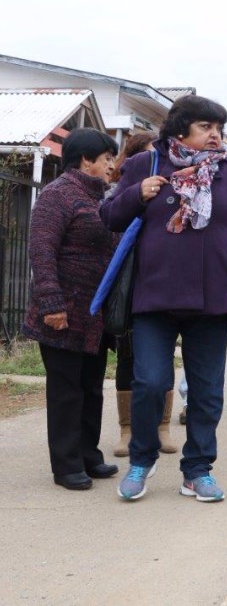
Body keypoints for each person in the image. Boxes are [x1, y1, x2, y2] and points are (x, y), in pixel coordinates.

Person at [100, 95, 227, 502]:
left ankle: (197, 470)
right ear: (179, 129)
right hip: (155, 296)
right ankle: (142, 460)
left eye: (218, 129)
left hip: (213, 299)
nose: (214, 135)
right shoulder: (145, 165)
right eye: (206, 127)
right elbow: (110, 218)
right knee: (149, 381)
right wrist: (136, 193)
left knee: (207, 391)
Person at [23, 128, 120, 491]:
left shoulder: (101, 199)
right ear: (86, 160)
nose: (112, 165)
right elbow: (42, 253)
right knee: (66, 390)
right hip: (62, 313)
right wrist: (51, 304)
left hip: (93, 316)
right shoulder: (57, 195)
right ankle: (65, 466)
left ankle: (88, 456)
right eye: (107, 158)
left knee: (91, 387)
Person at [107, 131, 179, 458]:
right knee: (127, 354)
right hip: (130, 282)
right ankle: (127, 429)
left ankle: (162, 426)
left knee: (165, 356)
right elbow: (111, 223)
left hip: (162, 282)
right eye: (151, 154)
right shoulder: (124, 190)